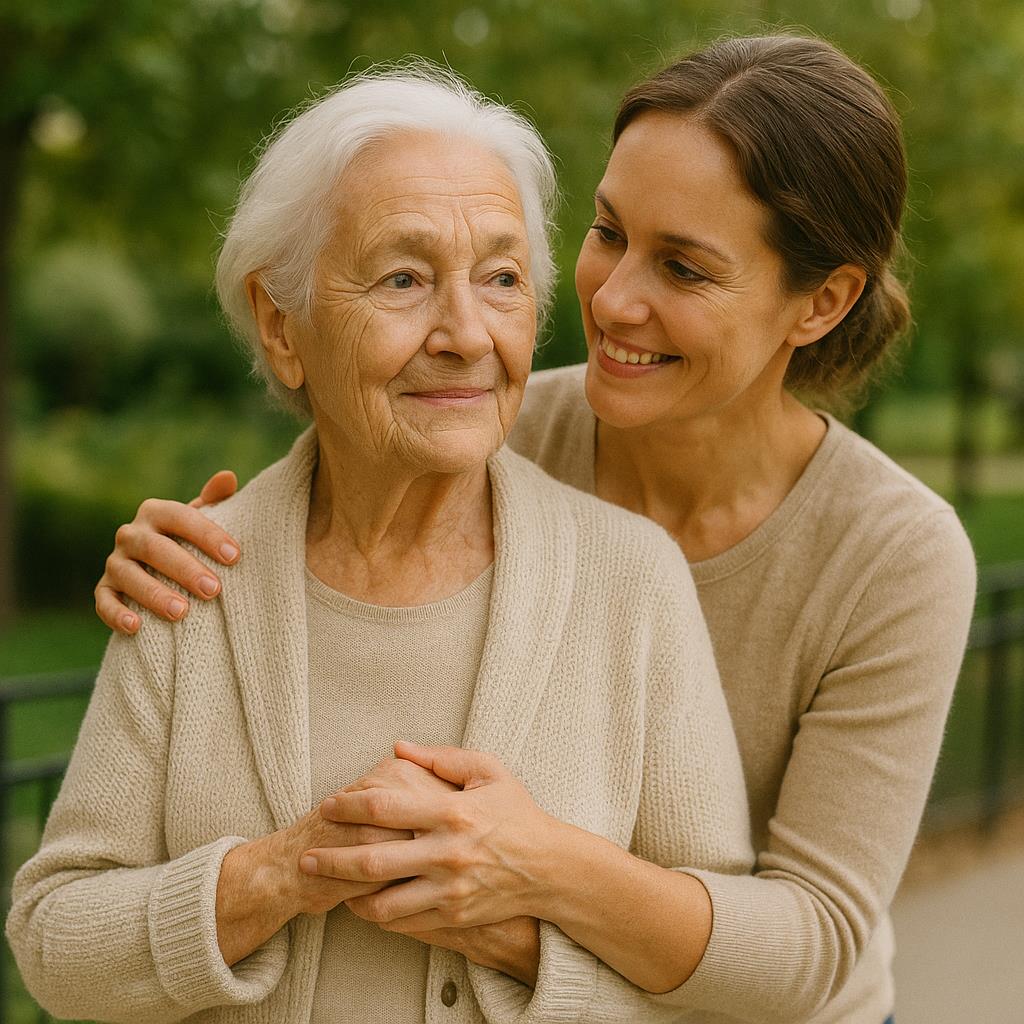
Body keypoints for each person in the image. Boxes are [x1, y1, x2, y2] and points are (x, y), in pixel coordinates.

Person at [92, 34, 976, 1024]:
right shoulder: (474, 430)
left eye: (682, 268)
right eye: (607, 232)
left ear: (820, 301)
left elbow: (807, 941)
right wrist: (175, 562)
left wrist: (534, 871)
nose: (611, 295)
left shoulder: (895, 556)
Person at [6, 67, 755, 1024]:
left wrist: (519, 934)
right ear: (283, 327)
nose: (466, 334)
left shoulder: (630, 578)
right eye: (403, 278)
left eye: (501, 278)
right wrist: (283, 872)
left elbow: (727, 971)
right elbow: (56, 944)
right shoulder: (191, 576)